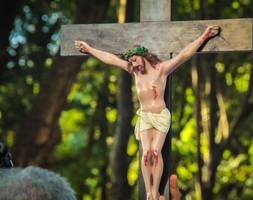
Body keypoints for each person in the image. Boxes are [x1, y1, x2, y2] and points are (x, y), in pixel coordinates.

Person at [75, 25, 220, 200]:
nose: (134, 64)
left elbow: (184, 54)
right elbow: (109, 58)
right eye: (131, 61)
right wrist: (89, 49)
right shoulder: (133, 71)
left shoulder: (161, 70)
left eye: (136, 59)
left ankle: (156, 189)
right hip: (144, 116)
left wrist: (204, 36)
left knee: (155, 153)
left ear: (144, 56)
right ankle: (150, 193)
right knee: (145, 154)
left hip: (160, 116)